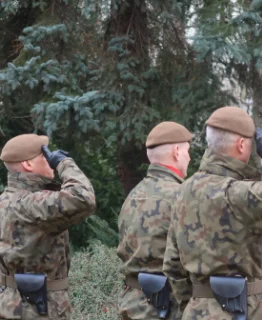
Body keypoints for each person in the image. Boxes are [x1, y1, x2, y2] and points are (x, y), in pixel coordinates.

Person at [163, 106, 262, 319]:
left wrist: (197, 305)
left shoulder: (183, 191)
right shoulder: (239, 194)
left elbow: (172, 265)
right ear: (241, 145)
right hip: (244, 312)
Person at [0, 134, 97, 319]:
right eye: (45, 155)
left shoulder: (5, 200)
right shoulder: (32, 203)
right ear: (28, 165)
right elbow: (83, 198)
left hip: (10, 305)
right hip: (38, 310)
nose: (50, 159)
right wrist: (64, 163)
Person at [116, 121, 193, 320]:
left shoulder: (132, 196)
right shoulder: (182, 197)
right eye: (187, 151)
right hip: (168, 307)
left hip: (132, 305)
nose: (189, 157)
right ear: (176, 152)